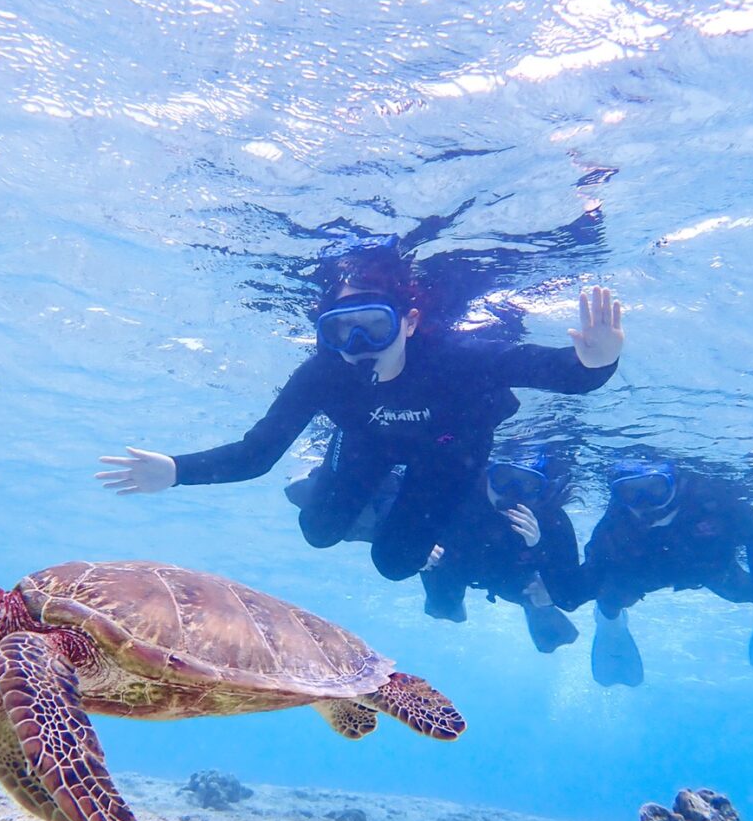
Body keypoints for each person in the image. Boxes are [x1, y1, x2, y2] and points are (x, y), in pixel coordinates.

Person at [97, 235, 624, 582]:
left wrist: (597, 362)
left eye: (374, 325)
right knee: (318, 532)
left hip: (449, 456)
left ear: (410, 323)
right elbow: (256, 455)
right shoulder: (324, 373)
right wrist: (176, 471)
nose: (356, 342)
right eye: (338, 329)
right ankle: (372, 495)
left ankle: (396, 510)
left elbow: (563, 375)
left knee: (394, 565)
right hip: (366, 443)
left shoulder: (457, 361)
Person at [287, 453, 583, 652]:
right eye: (504, 478)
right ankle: (448, 604)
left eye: (529, 485)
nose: (513, 492)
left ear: (542, 490)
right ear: (487, 474)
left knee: (538, 594)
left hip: (511, 575)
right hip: (448, 564)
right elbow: (403, 515)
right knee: (444, 609)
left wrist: (541, 553)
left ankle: (535, 607)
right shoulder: (458, 491)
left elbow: (569, 584)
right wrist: (415, 549)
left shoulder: (551, 519)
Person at [570, 460, 753, 687]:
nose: (645, 502)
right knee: (611, 597)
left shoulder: (716, 498)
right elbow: (594, 570)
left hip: (708, 566)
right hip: (647, 570)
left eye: (655, 488)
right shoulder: (615, 522)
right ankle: (609, 623)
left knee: (746, 593)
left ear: (678, 482)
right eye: (631, 493)